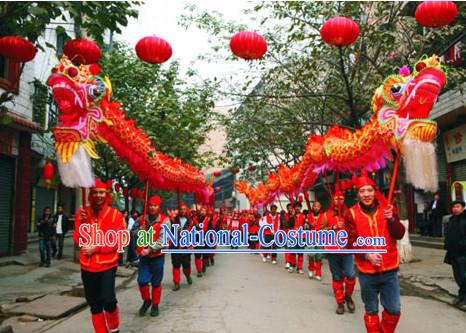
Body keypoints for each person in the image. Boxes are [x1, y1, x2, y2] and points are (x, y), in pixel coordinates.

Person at [345, 174, 405, 333]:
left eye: (369, 190)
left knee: (394, 309)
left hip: (389, 269)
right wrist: (367, 254)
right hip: (366, 272)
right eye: (362, 191)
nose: (366, 194)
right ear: (357, 194)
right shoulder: (350, 214)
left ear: (375, 191)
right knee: (371, 310)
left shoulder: (388, 209)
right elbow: (349, 242)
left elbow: (399, 234)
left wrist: (392, 220)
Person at [74, 179, 125, 333]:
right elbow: (78, 239)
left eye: (101, 192)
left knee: (108, 301)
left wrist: (97, 248)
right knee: (94, 304)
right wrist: (81, 223)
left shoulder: (115, 215)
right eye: (95, 192)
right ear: (91, 194)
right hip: (87, 267)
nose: (98, 195)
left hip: (107, 265)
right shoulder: (82, 213)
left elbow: (119, 240)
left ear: (107, 194)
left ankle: (114, 327)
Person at [321, 190, 356, 315]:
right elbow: (320, 231)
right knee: (337, 277)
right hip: (332, 251)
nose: (339, 201)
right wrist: (333, 228)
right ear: (332, 200)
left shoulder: (349, 213)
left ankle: (348, 296)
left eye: (341, 198)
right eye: (336, 198)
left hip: (347, 250)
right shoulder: (326, 215)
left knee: (351, 274)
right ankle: (340, 302)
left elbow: (355, 230)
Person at [135, 196, 170, 317]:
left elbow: (163, 239)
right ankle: (146, 300)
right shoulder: (142, 219)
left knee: (156, 282)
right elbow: (131, 231)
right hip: (144, 257)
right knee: (142, 281)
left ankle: (155, 304)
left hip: (157, 256)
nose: (152, 208)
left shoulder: (165, 221)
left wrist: (150, 249)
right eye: (150, 205)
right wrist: (139, 231)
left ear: (159, 207)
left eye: (155, 206)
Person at [444, 200, 466, 307]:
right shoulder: (451, 220)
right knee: (458, 276)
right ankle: (461, 296)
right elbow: (448, 234)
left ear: (463, 208)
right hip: (453, 253)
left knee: (463, 276)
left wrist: (461, 245)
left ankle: (464, 297)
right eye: (453, 207)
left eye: (457, 206)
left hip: (463, 253)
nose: (455, 209)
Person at [170, 203, 193, 291]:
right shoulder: (173, 220)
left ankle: (187, 276)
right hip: (175, 247)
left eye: (184, 209)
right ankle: (176, 283)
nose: (182, 211)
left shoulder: (190, 221)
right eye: (181, 209)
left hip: (186, 247)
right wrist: (175, 229)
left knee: (186, 266)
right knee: (176, 265)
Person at [306, 201, 324, 280]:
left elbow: (326, 226)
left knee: (319, 256)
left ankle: (318, 273)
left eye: (318, 206)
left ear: (320, 207)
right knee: (311, 254)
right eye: (314, 206)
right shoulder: (309, 216)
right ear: (312, 207)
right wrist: (309, 225)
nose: (316, 208)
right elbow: (305, 226)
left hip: (320, 238)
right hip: (311, 238)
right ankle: (311, 269)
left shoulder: (323, 216)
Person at [281, 203, 295, 269]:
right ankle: (287, 262)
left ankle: (293, 262)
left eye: (291, 208)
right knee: (287, 248)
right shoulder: (284, 215)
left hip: (295, 235)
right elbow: (285, 224)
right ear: (287, 209)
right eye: (289, 208)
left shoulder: (296, 215)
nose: (290, 209)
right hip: (286, 234)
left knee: (293, 249)